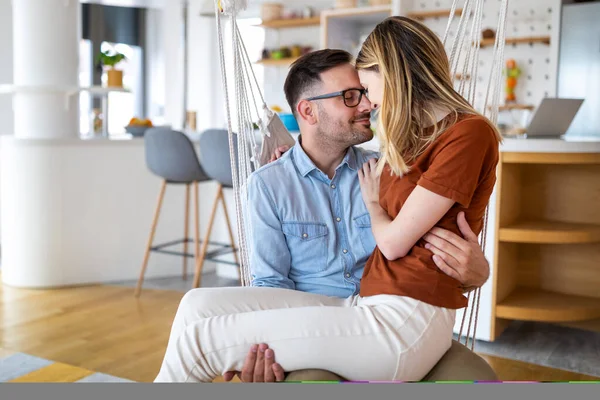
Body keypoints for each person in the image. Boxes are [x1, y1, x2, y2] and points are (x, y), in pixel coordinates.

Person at [154, 16, 499, 383]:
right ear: (307, 111)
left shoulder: (383, 166)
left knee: (201, 341)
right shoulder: (273, 182)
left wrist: (479, 272)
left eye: (364, 90)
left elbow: (419, 235)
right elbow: (270, 283)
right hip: (348, 311)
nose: (367, 104)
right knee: (195, 305)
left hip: (379, 315)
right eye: (351, 96)